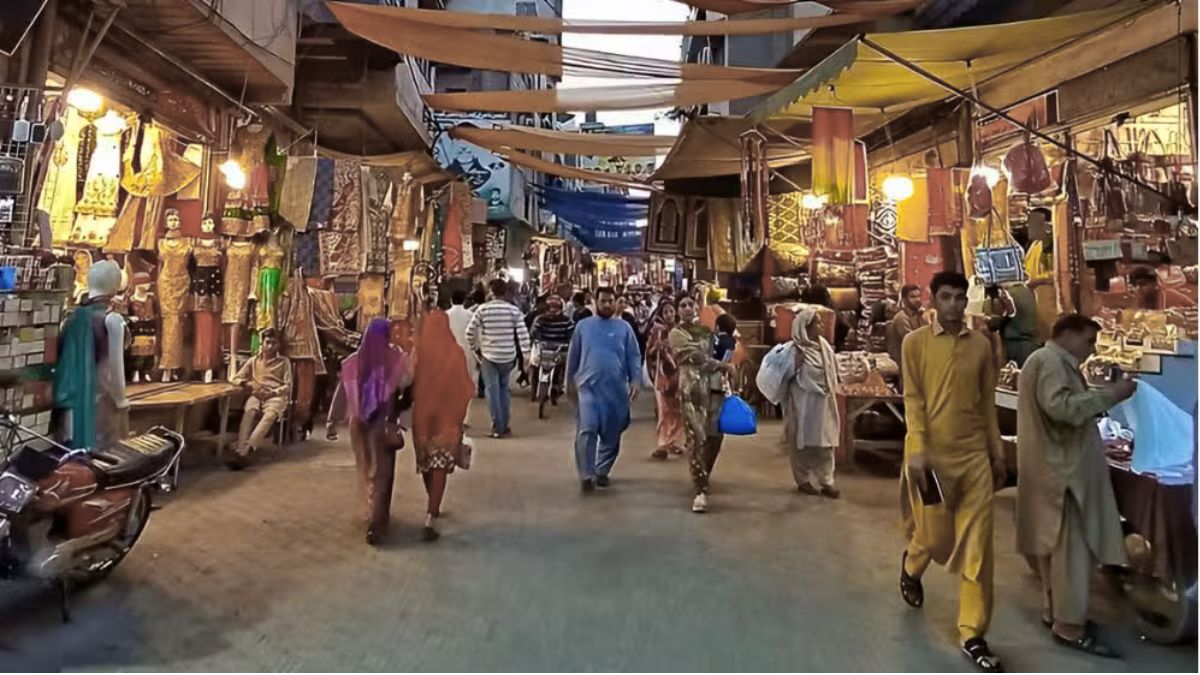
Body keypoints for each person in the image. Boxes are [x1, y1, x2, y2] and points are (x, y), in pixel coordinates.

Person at [898, 271, 1005, 673]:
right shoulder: (915, 344)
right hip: (929, 459)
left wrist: (996, 453)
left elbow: (987, 404)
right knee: (934, 536)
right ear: (933, 300)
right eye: (947, 297)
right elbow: (913, 399)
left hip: (974, 456)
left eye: (961, 298)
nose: (955, 306)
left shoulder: (981, 345)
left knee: (979, 547)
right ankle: (911, 566)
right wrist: (919, 449)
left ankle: (973, 632)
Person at [1016, 314, 1136, 656]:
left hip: (1054, 469)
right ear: (1067, 335)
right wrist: (1113, 395)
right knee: (1071, 553)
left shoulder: (1048, 361)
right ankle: (1069, 627)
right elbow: (1063, 408)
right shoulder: (1052, 362)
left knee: (1056, 550)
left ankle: (1056, 612)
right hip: (1063, 476)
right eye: (1087, 341)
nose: (1091, 350)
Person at [327, 319, 408, 544]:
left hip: (358, 424)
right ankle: (378, 521)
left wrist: (332, 420)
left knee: (365, 467)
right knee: (383, 471)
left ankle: (369, 511)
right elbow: (404, 388)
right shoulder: (395, 359)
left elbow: (341, 393)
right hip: (383, 423)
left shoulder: (353, 362)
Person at [566, 286, 642, 492]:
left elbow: (634, 356)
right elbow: (573, 356)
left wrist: (636, 380)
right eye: (603, 301)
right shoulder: (583, 327)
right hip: (587, 389)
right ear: (596, 303)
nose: (607, 304)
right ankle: (586, 474)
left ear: (616, 302)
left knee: (612, 432)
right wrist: (568, 384)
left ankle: (601, 471)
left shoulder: (624, 328)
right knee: (587, 429)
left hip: (616, 390)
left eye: (610, 301)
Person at [412, 310, 475, 542]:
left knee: (427, 465)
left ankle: (433, 505)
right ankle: (431, 512)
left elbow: (407, 382)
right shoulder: (455, 354)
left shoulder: (418, 354)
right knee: (439, 466)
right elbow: (467, 388)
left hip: (423, 422)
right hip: (447, 422)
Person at [670, 295, 735, 514]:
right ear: (678, 310)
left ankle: (704, 473)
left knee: (715, 436)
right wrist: (721, 365)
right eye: (683, 305)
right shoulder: (676, 334)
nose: (687, 308)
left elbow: (719, 351)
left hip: (714, 389)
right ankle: (700, 487)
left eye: (690, 304)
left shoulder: (707, 332)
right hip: (692, 391)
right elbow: (694, 356)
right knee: (697, 436)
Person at [784, 306, 841, 498]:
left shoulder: (824, 347)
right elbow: (782, 376)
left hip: (823, 403)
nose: (822, 325)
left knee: (826, 442)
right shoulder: (794, 350)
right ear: (805, 327)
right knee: (801, 444)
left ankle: (827, 481)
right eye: (817, 322)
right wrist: (795, 366)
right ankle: (803, 479)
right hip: (803, 405)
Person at [466, 278, 531, 438]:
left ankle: (497, 426)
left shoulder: (483, 310)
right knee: (504, 390)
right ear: (506, 292)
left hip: (489, 356)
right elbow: (523, 334)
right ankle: (504, 425)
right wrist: (526, 356)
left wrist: (477, 350)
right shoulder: (514, 311)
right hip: (508, 357)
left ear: (491, 292)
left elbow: (469, 333)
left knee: (492, 390)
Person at [229, 329, 293, 470]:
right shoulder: (253, 361)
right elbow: (236, 378)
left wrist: (273, 392)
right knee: (249, 412)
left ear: (279, 346)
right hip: (256, 394)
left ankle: (248, 449)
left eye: (274, 343)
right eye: (268, 343)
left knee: (269, 416)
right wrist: (249, 384)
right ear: (262, 344)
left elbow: (288, 386)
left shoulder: (284, 362)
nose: (270, 346)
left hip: (275, 396)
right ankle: (241, 450)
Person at [644, 300, 683, 459]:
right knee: (663, 411)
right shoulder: (657, 332)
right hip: (662, 376)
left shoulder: (682, 332)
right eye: (665, 312)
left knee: (678, 411)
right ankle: (662, 444)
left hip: (679, 376)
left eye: (671, 311)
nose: (668, 315)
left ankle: (672, 442)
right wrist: (657, 347)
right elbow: (649, 353)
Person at [446, 288, 478, 426]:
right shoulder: (471, 316)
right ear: (465, 300)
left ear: (450, 300)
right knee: (467, 386)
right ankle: (464, 418)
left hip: (449, 354)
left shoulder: (445, 315)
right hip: (468, 353)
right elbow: (476, 336)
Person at [1000, 282, 1041, 367]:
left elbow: (996, 322)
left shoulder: (1009, 295)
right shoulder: (1027, 291)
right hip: (1031, 343)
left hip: (1016, 345)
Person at [886, 285, 927, 367]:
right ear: (904, 300)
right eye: (913, 297)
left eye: (918, 296)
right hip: (905, 361)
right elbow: (912, 342)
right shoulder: (902, 318)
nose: (917, 300)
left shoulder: (920, 314)